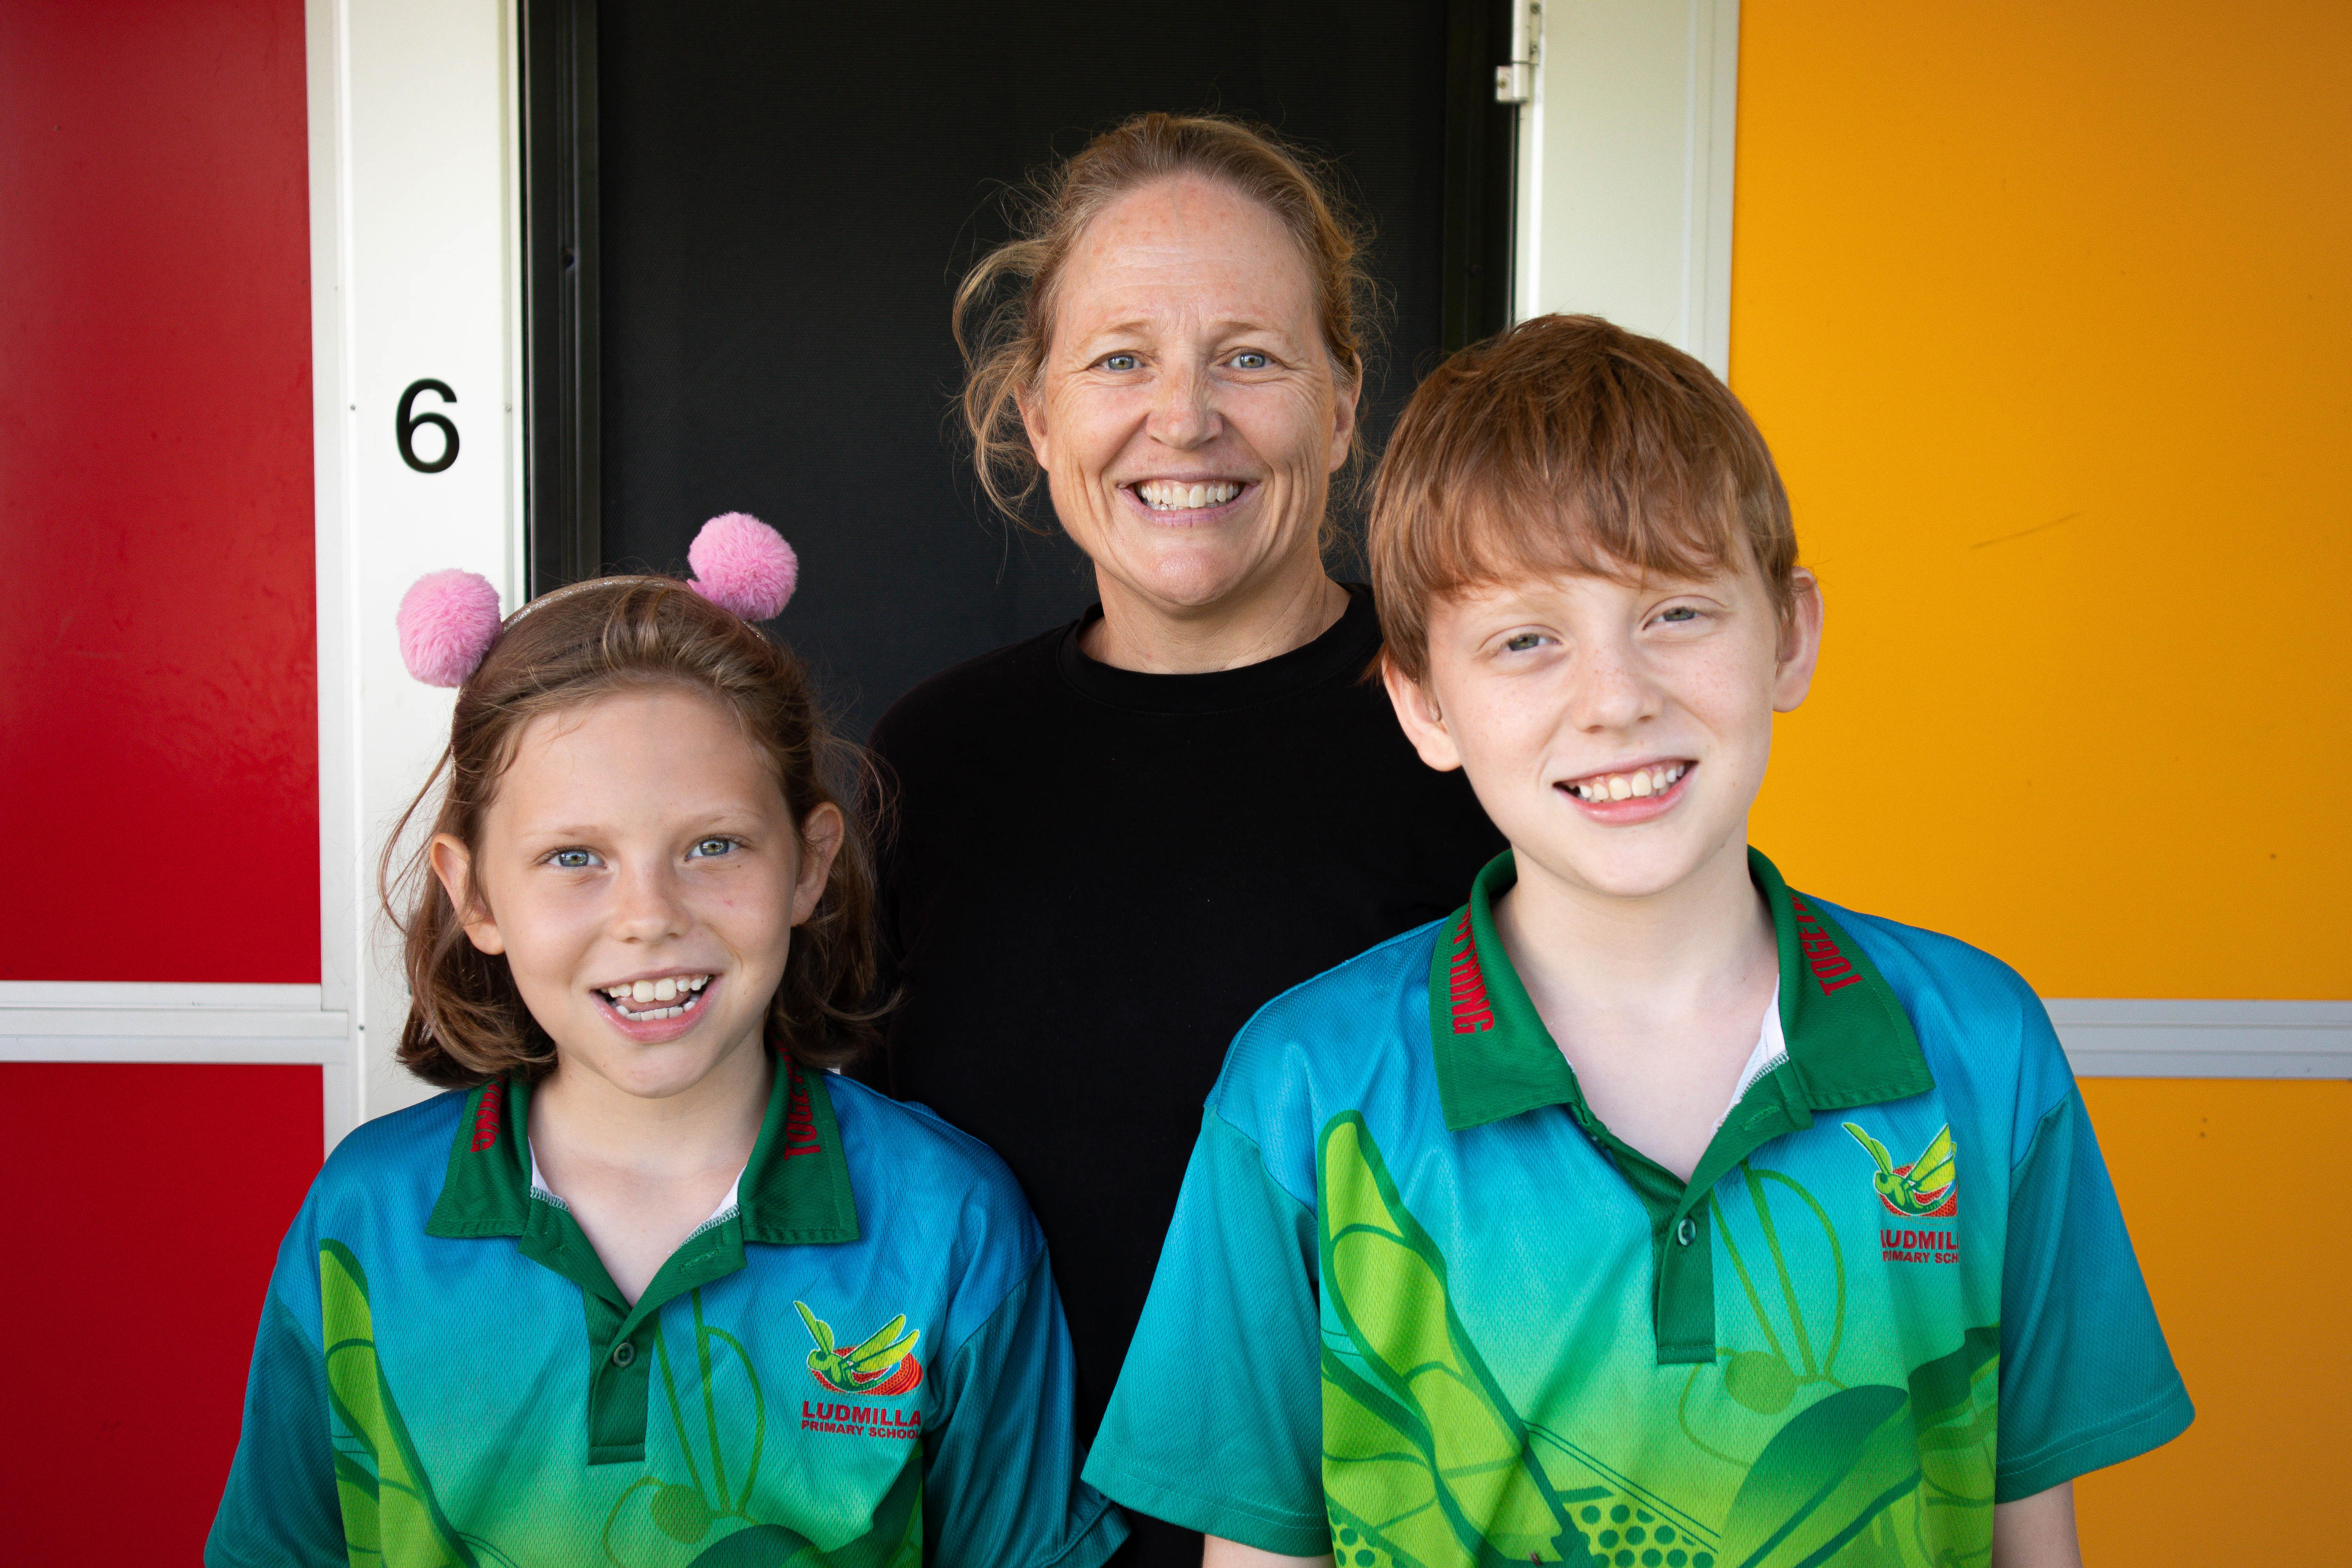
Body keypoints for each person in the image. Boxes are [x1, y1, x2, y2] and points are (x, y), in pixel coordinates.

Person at [1082, 317, 2192, 1568]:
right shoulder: (1304, 1089)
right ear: (1424, 701)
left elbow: (2030, 1540)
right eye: (1526, 639)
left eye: (1673, 610)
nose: (1616, 696)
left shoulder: (1983, 1047)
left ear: (1791, 633)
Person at [207, 517, 1126, 1568]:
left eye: (712, 845)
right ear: (475, 894)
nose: (648, 914)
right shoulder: (365, 1217)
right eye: (573, 857)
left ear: (809, 863)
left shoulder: (948, 1220)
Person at [859, 113, 1503, 1568]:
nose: (1188, 417)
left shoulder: (1482, 747)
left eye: (1251, 358)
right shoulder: (935, 760)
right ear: (1036, 415)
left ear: (1342, 409)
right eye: (1122, 359)